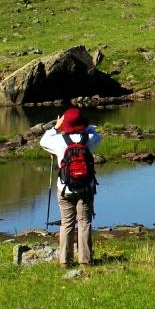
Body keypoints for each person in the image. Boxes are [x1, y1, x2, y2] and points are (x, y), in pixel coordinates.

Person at [39, 105, 102, 267]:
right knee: (84, 223)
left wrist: (56, 127)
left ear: (65, 123)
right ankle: (85, 261)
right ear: (82, 123)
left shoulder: (58, 141)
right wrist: (86, 126)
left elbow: (43, 141)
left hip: (65, 189)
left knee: (67, 223)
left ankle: (65, 261)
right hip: (86, 188)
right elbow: (98, 135)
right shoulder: (90, 138)